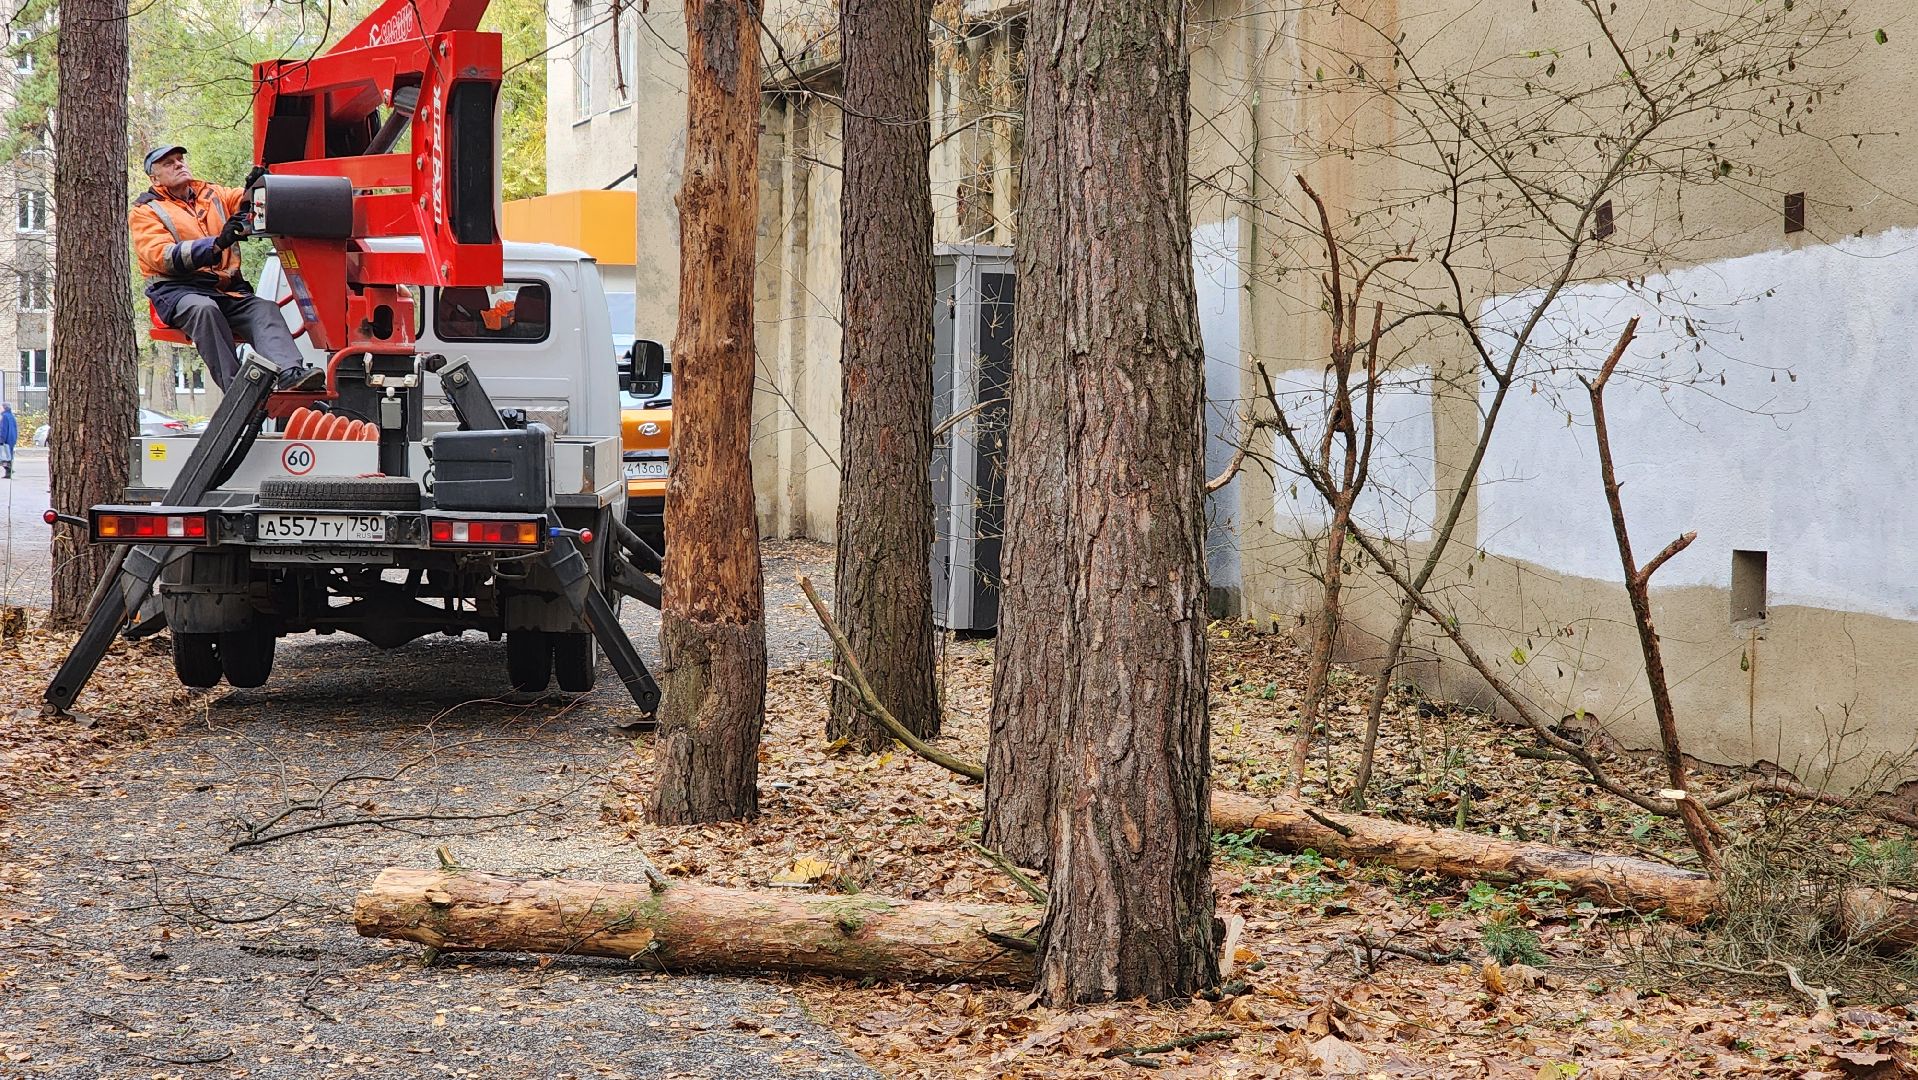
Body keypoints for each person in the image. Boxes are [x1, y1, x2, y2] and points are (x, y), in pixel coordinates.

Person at [129, 145, 323, 393]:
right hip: (177, 291)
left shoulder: (212, 194)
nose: (179, 164)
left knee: (263, 309)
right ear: (154, 178)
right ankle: (236, 390)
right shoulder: (146, 211)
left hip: (224, 290)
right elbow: (162, 257)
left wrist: (259, 187)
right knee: (204, 310)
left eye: (180, 159)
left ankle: (290, 373)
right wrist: (216, 244)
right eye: (169, 163)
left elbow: (245, 203)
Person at [0, 403, 15, 480]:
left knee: (3, 456)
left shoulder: (4, 416)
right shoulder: (11, 416)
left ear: (4, 408)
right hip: (11, 439)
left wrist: (1, 440)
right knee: (8, 456)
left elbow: (3, 429)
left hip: (6, 440)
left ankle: (9, 470)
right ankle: (9, 472)